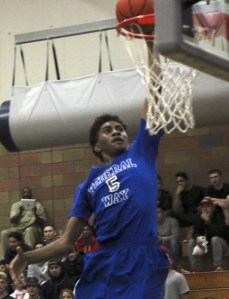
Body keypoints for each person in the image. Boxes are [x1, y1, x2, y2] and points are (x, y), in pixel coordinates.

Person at [10, 45, 169, 299]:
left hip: (142, 258)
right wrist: (25, 257)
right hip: (105, 261)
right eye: (108, 130)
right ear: (96, 146)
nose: (116, 131)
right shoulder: (88, 185)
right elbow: (65, 243)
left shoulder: (141, 152)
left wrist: (154, 46)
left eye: (120, 128)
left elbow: (154, 93)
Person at [187, 198, 229, 271]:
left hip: (222, 246)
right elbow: (195, 233)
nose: (206, 209)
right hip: (207, 246)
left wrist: (208, 222)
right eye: (203, 207)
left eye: (208, 206)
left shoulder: (219, 215)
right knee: (191, 242)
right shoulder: (199, 217)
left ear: (213, 207)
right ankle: (193, 268)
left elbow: (219, 233)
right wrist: (198, 238)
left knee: (215, 239)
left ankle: (217, 266)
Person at [1, 187, 47, 252]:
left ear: (31, 194)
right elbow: (12, 221)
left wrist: (35, 213)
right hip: (17, 228)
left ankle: (29, 255)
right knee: (4, 233)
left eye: (28, 192)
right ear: (22, 194)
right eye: (25, 192)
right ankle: (5, 257)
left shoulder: (38, 205)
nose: (27, 194)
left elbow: (42, 222)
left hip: (32, 227)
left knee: (29, 230)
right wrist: (20, 212)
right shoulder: (16, 205)